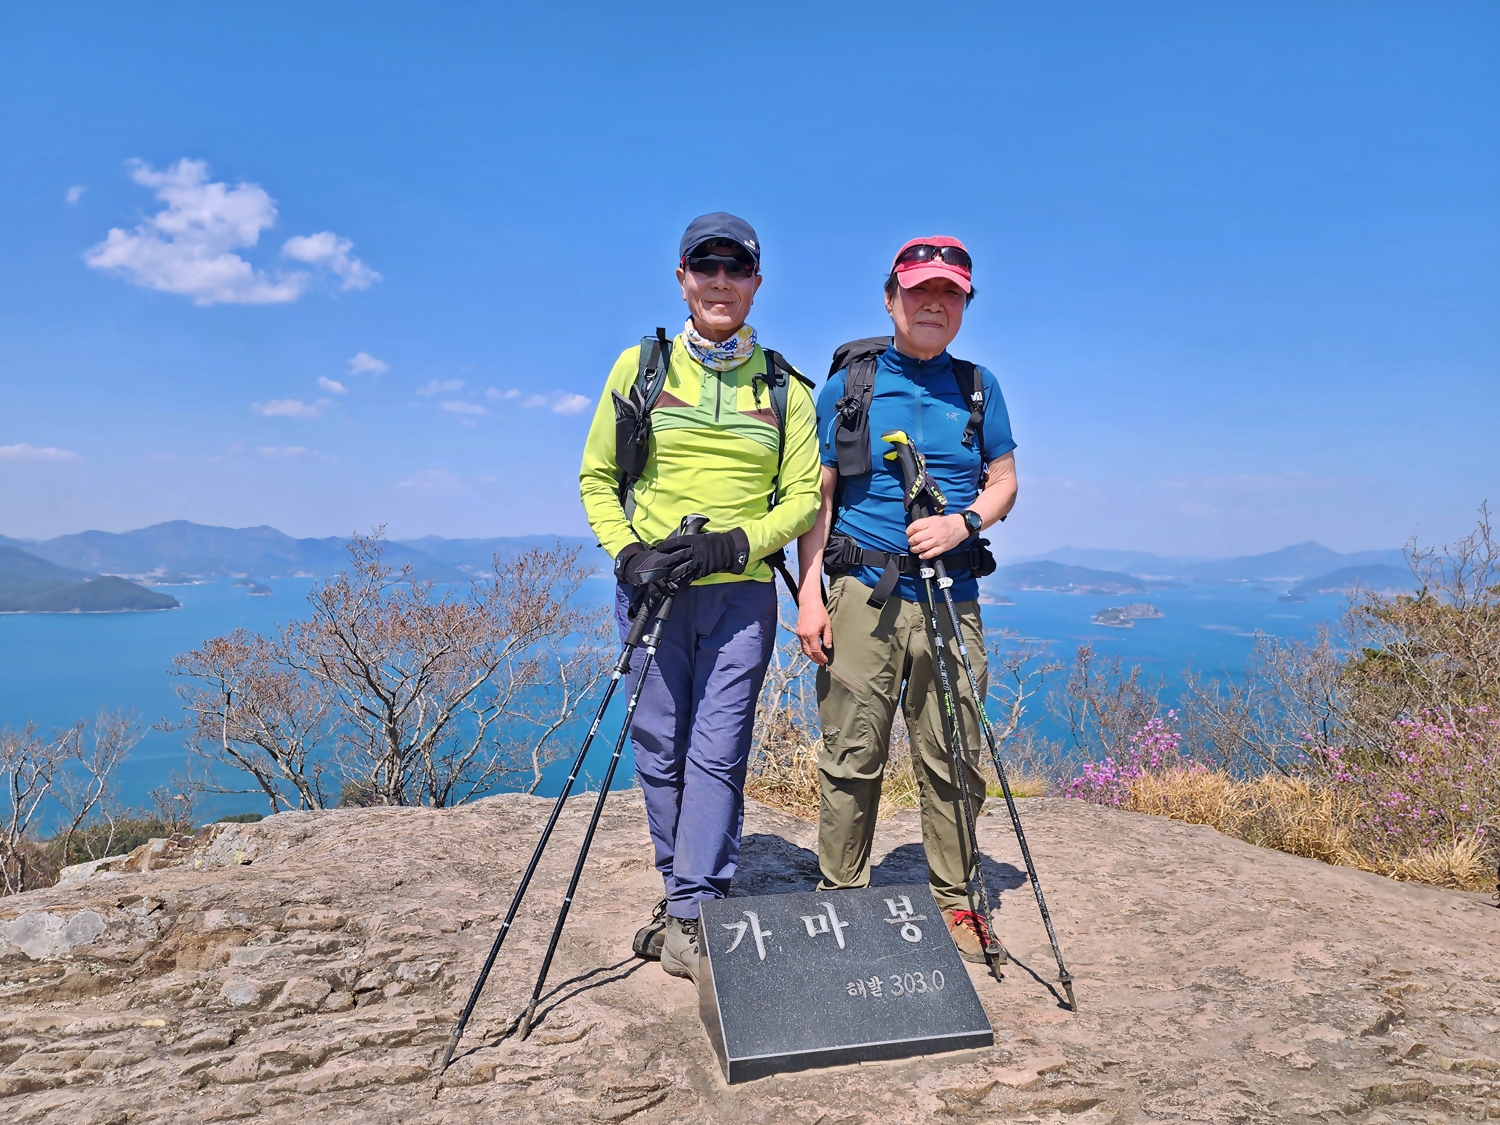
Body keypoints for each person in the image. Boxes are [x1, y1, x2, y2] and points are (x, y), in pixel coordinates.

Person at [578, 213, 821, 984]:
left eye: (735, 268)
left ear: (756, 283)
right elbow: (596, 476)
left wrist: (736, 544)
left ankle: (691, 910)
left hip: (740, 596)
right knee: (659, 747)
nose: (721, 281)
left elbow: (803, 498)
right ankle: (677, 885)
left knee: (717, 751)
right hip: (653, 595)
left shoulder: (785, 387)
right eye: (705, 266)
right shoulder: (641, 368)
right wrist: (628, 553)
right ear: (682, 276)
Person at [794, 236, 1018, 962]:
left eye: (950, 293)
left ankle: (956, 901)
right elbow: (819, 497)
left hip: (953, 593)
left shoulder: (978, 387)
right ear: (891, 298)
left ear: (964, 306)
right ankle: (842, 899)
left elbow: (1004, 481)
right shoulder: (848, 389)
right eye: (920, 290)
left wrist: (965, 522)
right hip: (864, 594)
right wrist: (810, 596)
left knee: (955, 752)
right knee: (851, 752)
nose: (934, 304)